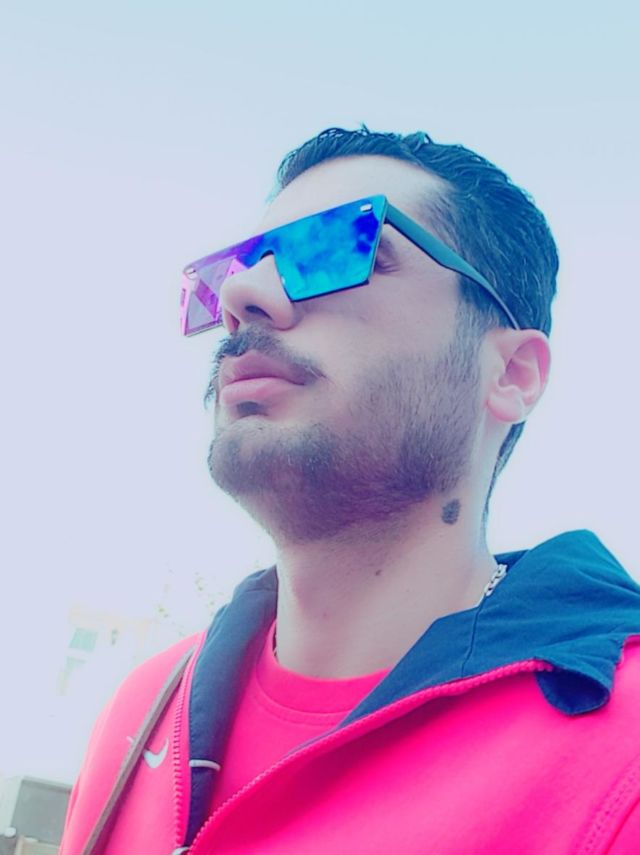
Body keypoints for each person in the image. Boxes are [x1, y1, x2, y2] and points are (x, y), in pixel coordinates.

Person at [60, 126, 640, 854]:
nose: (242, 295)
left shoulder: (621, 757)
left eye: (335, 246)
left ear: (511, 374)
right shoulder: (143, 711)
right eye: (236, 269)